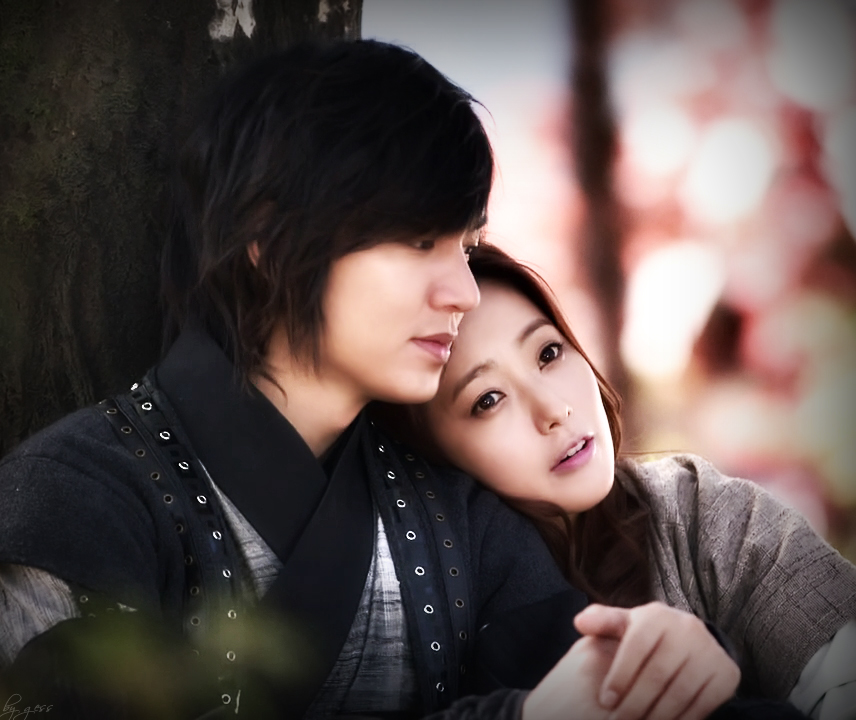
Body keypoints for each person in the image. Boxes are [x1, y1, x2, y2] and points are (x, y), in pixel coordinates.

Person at [0, 39, 746, 720]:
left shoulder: (459, 514)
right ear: (268, 240)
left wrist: (664, 674)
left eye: (466, 247)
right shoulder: (78, 497)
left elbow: (590, 681)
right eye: (421, 241)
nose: (464, 292)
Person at [396, 241, 856, 720]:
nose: (554, 410)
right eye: (488, 399)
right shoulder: (420, 612)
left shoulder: (701, 515)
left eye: (549, 353)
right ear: (430, 455)